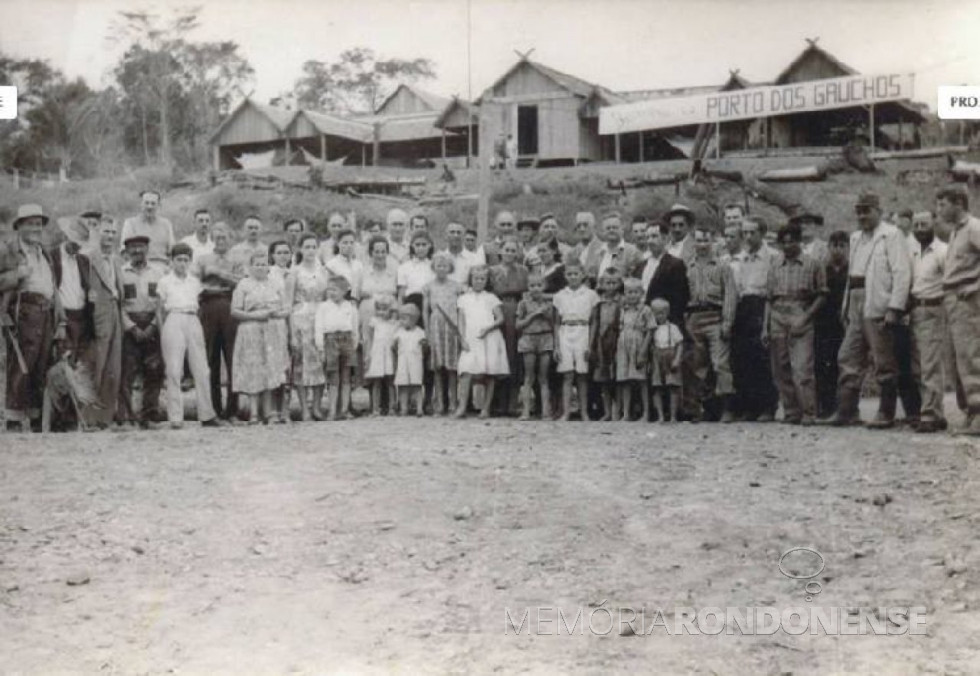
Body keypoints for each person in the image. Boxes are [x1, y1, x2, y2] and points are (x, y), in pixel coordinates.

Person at [826, 192, 911, 429]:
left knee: (883, 358)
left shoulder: (891, 235)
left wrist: (895, 307)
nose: (862, 216)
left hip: (878, 301)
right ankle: (847, 410)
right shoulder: (855, 238)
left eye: (867, 211)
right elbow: (852, 276)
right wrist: (846, 305)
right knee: (848, 355)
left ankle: (886, 412)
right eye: (859, 211)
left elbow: (901, 272)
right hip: (855, 300)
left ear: (879, 211)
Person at [1, 204, 64, 431]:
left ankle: (37, 416)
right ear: (19, 226)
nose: (36, 228)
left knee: (41, 364)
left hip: (46, 312)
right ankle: (14, 418)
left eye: (39, 224)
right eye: (30, 224)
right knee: (20, 364)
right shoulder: (8, 250)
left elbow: (54, 288)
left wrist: (61, 319)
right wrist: (16, 275)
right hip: (22, 312)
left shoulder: (44, 252)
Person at [763, 223, 827, 426]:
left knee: (802, 367)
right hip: (777, 315)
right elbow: (768, 298)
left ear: (800, 241)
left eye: (792, 241)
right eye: (784, 242)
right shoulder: (774, 263)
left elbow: (822, 295)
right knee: (780, 367)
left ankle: (809, 411)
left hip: (801, 312)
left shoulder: (813, 264)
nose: (788, 246)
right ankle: (791, 411)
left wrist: (806, 316)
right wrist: (765, 326)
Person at [156, 243, 224, 429]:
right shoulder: (165, 281)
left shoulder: (194, 282)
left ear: (190, 261)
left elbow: (200, 305)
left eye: (186, 260)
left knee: (202, 369)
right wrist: (164, 330)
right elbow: (159, 310)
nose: (182, 263)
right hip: (173, 319)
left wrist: (195, 324)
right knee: (174, 370)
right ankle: (176, 417)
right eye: (178, 260)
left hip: (192, 320)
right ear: (172, 261)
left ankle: (207, 414)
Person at [937, 185, 980, 435]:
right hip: (952, 297)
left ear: (958, 204)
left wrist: (976, 284)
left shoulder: (974, 227)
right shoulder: (956, 232)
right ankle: (970, 412)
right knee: (957, 358)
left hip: (967, 299)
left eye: (943, 204)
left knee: (971, 354)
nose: (939, 210)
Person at [686, 225, 738, 423]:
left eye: (706, 240)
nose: (702, 245)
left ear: (713, 241)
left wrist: (727, 321)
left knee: (720, 363)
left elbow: (730, 296)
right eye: (698, 240)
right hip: (695, 318)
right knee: (698, 365)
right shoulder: (688, 267)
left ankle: (727, 408)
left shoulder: (723, 266)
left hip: (715, 317)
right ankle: (706, 408)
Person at [731, 216, 780, 422]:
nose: (748, 237)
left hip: (762, 306)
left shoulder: (773, 256)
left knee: (763, 358)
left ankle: (767, 407)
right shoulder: (740, 258)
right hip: (743, 307)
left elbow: (771, 289)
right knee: (743, 357)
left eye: (752, 232)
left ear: (762, 233)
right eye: (745, 233)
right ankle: (749, 406)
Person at [231, 251, 287, 424]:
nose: (261, 267)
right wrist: (256, 316)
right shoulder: (244, 284)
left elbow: (286, 309)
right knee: (253, 369)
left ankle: (269, 412)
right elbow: (235, 311)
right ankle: (254, 413)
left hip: (273, 330)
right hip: (251, 330)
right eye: (257, 264)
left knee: (270, 369)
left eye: (264, 264)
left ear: (269, 266)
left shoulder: (276, 283)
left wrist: (275, 313)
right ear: (250, 266)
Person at [194, 223, 243, 422]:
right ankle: (213, 409)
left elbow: (241, 282)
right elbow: (197, 283)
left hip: (230, 306)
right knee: (210, 358)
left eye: (225, 237)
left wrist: (219, 274)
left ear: (230, 238)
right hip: (208, 307)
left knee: (232, 358)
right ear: (212, 238)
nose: (221, 241)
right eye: (218, 237)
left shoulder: (237, 259)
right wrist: (212, 278)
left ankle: (232, 410)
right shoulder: (203, 259)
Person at [118, 235, 166, 428]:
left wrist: (154, 324)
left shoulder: (159, 273)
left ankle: (150, 415)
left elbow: (163, 303)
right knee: (127, 371)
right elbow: (118, 305)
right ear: (127, 251)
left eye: (141, 247)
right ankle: (126, 417)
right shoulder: (120, 273)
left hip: (154, 323)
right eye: (133, 247)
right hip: (130, 325)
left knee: (154, 371)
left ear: (147, 249)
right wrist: (130, 326)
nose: (137, 251)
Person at [907, 210, 948, 434]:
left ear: (933, 224)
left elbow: (950, 282)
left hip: (933, 308)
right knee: (919, 365)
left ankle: (930, 414)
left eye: (924, 225)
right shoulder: (912, 251)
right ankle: (935, 412)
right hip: (915, 310)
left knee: (930, 364)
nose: (920, 229)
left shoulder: (942, 251)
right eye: (916, 225)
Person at [83, 219, 126, 428]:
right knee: (96, 364)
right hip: (97, 314)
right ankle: (89, 417)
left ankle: (105, 417)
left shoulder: (116, 260)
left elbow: (119, 290)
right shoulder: (89, 257)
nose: (110, 236)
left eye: (113, 232)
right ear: (97, 233)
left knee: (113, 367)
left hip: (115, 313)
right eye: (106, 232)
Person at [454, 265, 509, 419]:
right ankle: (462, 406)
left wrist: (488, 328)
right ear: (470, 279)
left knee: (489, 373)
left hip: (489, 337)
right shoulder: (463, 299)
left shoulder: (491, 298)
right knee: (466, 371)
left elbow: (500, 319)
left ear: (487, 280)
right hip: (471, 338)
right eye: (476, 278)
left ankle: (486, 408)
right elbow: (461, 321)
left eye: (482, 279)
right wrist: (462, 339)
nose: (479, 281)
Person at [285, 234, 328, 421]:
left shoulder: (324, 271)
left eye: (314, 247)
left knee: (321, 363)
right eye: (307, 247)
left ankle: (317, 406)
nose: (311, 250)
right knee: (301, 365)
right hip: (300, 318)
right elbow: (288, 303)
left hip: (320, 318)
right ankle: (304, 409)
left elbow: (328, 297)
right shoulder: (294, 272)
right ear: (300, 249)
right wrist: (292, 333)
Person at [553, 262, 599, 421]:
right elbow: (557, 323)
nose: (573, 277)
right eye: (569, 274)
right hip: (565, 332)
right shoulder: (559, 295)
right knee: (567, 374)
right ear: (565, 276)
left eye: (576, 274)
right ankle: (566, 412)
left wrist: (590, 344)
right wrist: (557, 346)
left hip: (583, 331)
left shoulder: (590, 295)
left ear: (582, 275)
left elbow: (594, 321)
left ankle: (584, 412)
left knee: (581, 375)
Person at [490, 238, 529, 413]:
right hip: (497, 310)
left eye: (513, 250)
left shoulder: (523, 271)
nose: (510, 254)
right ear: (500, 251)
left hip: (516, 310)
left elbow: (527, 294)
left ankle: (513, 402)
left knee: (513, 354)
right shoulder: (492, 271)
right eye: (507, 250)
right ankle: (497, 402)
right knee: (497, 351)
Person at [815, 231, 849, 419]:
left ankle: (843, 405)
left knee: (841, 362)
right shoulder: (823, 270)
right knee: (822, 363)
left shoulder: (851, 271)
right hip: (823, 322)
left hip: (842, 322)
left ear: (848, 248)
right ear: (828, 248)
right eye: (834, 246)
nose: (837, 250)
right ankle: (825, 404)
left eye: (842, 246)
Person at [423, 253, 462, 415]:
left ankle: (453, 402)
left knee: (452, 367)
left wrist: (460, 329)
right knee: (438, 366)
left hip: (451, 327)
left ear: (450, 268)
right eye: (438, 265)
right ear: (433, 267)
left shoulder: (456, 286)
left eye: (444, 266)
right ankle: (439, 403)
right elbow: (425, 310)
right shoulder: (428, 286)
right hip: (436, 326)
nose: (441, 269)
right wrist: (427, 331)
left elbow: (460, 309)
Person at [315, 276, 359, 420]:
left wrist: (354, 344)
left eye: (335, 289)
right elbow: (319, 327)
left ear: (345, 291)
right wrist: (320, 347)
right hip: (331, 341)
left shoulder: (350, 308)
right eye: (329, 289)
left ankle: (344, 409)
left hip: (347, 341)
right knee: (333, 377)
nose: (331, 292)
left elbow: (354, 329)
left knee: (346, 377)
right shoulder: (324, 307)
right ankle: (332, 410)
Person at [515, 274, 556, 420]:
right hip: (528, 339)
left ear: (544, 287)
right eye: (532, 286)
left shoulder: (549, 304)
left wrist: (546, 314)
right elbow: (518, 325)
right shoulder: (523, 303)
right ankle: (526, 411)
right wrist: (533, 315)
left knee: (543, 377)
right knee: (528, 376)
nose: (535, 289)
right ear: (528, 287)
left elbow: (554, 322)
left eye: (539, 286)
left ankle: (546, 411)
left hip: (545, 338)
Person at [51, 217, 93, 361]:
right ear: (65, 237)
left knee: (79, 361)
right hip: (62, 316)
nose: (77, 248)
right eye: (74, 244)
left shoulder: (84, 261)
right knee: (63, 359)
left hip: (81, 317)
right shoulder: (52, 257)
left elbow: (87, 287)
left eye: (80, 246)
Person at [616, 278, 653, 422]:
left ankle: (646, 412)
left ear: (642, 293)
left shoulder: (645, 310)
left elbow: (650, 330)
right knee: (625, 379)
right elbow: (621, 327)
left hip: (638, 344)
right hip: (624, 344)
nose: (632, 295)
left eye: (635, 292)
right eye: (629, 292)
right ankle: (626, 413)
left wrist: (643, 350)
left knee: (641, 379)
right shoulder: (623, 310)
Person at [590, 267, 622, 420]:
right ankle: (607, 411)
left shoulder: (622, 301)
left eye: (614, 282)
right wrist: (593, 343)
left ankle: (619, 411)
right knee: (603, 378)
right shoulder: (598, 300)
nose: (611, 286)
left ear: (619, 283)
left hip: (617, 341)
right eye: (607, 282)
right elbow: (595, 321)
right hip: (601, 341)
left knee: (618, 376)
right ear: (602, 283)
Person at [267, 240, 293, 423]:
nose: (283, 256)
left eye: (286, 252)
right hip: (274, 323)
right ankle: (271, 411)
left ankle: (286, 410)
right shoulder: (268, 274)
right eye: (279, 252)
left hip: (292, 321)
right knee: (273, 366)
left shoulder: (294, 273)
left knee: (288, 367)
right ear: (273, 255)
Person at [582, 211, 643, 283]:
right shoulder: (597, 252)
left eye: (615, 227)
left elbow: (637, 281)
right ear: (603, 231)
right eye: (608, 228)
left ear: (622, 229)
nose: (611, 230)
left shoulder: (633, 252)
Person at [648, 298, 683, 423]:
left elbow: (679, 344)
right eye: (655, 313)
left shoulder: (672, 328)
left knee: (673, 386)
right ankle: (660, 416)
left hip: (670, 356)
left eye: (661, 313)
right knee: (657, 387)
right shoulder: (651, 329)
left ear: (667, 313)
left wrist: (677, 359)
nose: (658, 316)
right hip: (656, 358)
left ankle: (673, 416)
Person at [363, 294, 398, 416]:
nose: (381, 312)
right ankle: (375, 408)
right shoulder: (374, 321)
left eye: (385, 309)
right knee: (376, 381)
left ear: (391, 310)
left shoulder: (394, 324)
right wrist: (368, 354)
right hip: (377, 353)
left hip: (388, 354)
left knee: (390, 381)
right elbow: (370, 338)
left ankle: (392, 407)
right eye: (379, 309)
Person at [392, 303, 428, 417]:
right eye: (400, 318)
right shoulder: (399, 332)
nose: (401, 321)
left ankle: (419, 408)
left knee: (417, 385)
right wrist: (395, 345)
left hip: (415, 361)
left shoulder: (420, 332)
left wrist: (424, 344)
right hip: (403, 361)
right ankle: (404, 408)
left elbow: (425, 346)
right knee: (403, 386)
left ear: (413, 319)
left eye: (404, 318)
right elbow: (393, 346)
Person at [121, 190, 175, 264]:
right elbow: (125, 252)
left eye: (153, 203)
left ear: (159, 205)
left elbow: (172, 251)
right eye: (146, 203)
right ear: (141, 204)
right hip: (139, 267)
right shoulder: (130, 223)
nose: (149, 207)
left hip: (162, 267)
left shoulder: (166, 224)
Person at [397, 231, 435, 312]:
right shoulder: (404, 267)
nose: (421, 248)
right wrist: (401, 311)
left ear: (430, 246)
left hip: (430, 304)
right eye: (417, 245)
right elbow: (401, 295)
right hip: (411, 304)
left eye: (424, 245)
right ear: (412, 246)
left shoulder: (435, 266)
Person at [324, 229, 364, 301]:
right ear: (338, 243)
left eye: (351, 243)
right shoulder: (331, 265)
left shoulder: (359, 265)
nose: (349, 246)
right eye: (345, 243)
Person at [442, 221, 484, 286]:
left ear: (464, 236)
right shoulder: (440, 259)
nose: (456, 235)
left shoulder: (475, 259)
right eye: (452, 232)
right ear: (445, 236)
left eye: (459, 232)